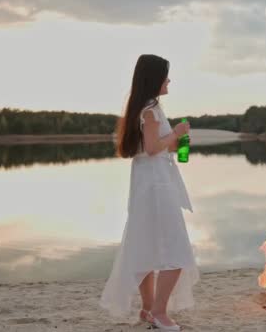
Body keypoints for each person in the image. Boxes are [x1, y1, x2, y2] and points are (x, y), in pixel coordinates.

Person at [100, 54, 198, 331]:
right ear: (154, 78)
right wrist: (177, 132)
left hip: (149, 183)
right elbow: (154, 148)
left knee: (147, 244)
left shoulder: (145, 108)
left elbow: (151, 149)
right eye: (166, 75)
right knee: (176, 251)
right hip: (157, 186)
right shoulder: (151, 111)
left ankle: (147, 309)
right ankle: (158, 312)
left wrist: (176, 140)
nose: (169, 80)